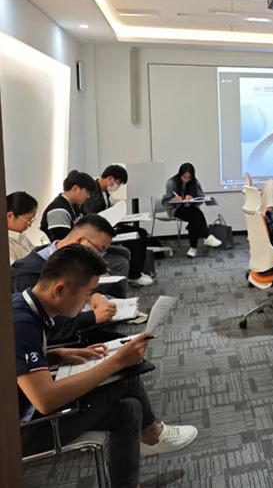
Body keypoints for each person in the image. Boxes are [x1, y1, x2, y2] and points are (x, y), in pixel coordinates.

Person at [15, 245, 198, 488]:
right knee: (123, 377)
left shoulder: (23, 306)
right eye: (87, 294)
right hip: (23, 432)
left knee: (130, 410)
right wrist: (117, 361)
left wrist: (54, 355)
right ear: (59, 290)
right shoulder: (23, 324)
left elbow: (14, 362)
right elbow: (45, 400)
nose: (87, 303)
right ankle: (153, 434)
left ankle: (143, 452)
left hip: (27, 411)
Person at [12, 215, 124, 344]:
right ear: (81, 242)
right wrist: (92, 317)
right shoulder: (27, 274)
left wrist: (94, 294)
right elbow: (47, 328)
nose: (100, 256)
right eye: (100, 250)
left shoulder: (58, 256)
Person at [84, 164, 154, 287]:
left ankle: (136, 271)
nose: (118, 186)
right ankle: (134, 275)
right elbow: (94, 216)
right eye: (118, 183)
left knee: (141, 233)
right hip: (101, 230)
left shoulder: (104, 192)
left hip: (110, 225)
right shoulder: (93, 193)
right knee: (135, 239)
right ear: (110, 178)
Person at [162, 162, 222, 258]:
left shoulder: (194, 182)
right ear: (180, 175)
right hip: (176, 209)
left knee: (194, 218)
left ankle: (193, 249)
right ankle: (206, 236)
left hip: (191, 208)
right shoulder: (171, 182)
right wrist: (173, 199)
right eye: (184, 177)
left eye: (189, 178)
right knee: (196, 215)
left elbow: (200, 198)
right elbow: (165, 202)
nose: (186, 180)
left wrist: (192, 198)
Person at [40, 170, 97, 242]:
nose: (88, 196)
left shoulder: (74, 206)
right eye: (87, 192)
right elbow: (61, 242)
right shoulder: (59, 210)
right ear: (76, 189)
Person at [7, 191, 41, 264]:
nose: (29, 225)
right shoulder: (5, 243)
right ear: (10, 216)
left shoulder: (21, 236)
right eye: (28, 220)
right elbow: (14, 269)